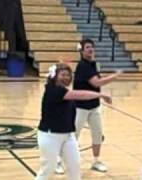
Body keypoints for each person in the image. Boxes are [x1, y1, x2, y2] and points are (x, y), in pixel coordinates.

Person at [36, 63, 112, 180]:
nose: (66, 77)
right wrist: (100, 94)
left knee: (75, 169)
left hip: (68, 136)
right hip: (50, 136)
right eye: (63, 75)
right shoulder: (53, 90)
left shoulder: (63, 90)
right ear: (55, 76)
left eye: (68, 75)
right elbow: (80, 95)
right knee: (47, 170)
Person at [73, 38, 122, 172]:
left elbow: (94, 85)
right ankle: (60, 161)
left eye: (92, 47)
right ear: (82, 51)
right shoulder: (83, 65)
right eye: (87, 47)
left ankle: (96, 161)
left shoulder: (93, 64)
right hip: (80, 106)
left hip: (94, 106)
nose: (90, 49)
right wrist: (115, 76)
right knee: (73, 135)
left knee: (97, 133)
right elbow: (97, 83)